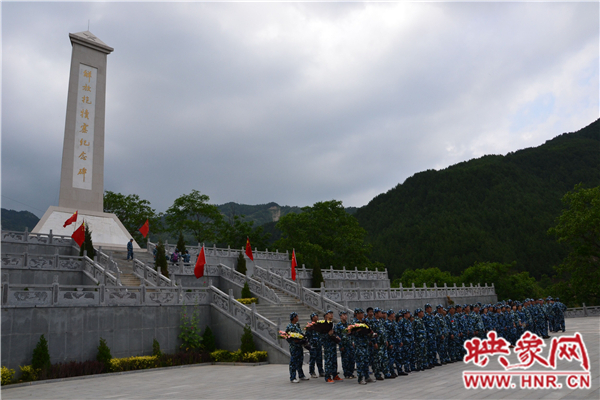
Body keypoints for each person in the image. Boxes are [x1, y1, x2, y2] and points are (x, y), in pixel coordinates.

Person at [285, 312, 309, 383]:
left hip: (299, 346)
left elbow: (300, 334)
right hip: (294, 347)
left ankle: (301, 375)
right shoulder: (289, 326)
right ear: (294, 318)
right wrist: (293, 341)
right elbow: (287, 336)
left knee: (300, 360)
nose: (298, 318)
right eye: (297, 317)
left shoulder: (297, 325)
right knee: (293, 361)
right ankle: (292, 377)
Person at [321, 310, 342, 383]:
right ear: (326, 315)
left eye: (332, 313)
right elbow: (322, 336)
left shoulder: (333, 324)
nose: (331, 315)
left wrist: (337, 336)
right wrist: (328, 335)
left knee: (334, 360)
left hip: (333, 344)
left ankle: (335, 375)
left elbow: (335, 333)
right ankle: (327, 377)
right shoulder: (324, 325)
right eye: (330, 314)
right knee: (328, 361)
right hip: (327, 345)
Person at [334, 311, 356, 379]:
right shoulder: (338, 325)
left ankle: (351, 372)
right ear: (340, 316)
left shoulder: (348, 325)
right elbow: (337, 336)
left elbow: (351, 334)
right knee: (345, 360)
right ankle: (346, 373)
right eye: (343, 315)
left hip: (350, 344)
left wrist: (353, 342)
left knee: (352, 359)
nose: (345, 316)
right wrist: (340, 345)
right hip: (344, 345)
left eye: (346, 315)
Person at [306, 313, 324, 378]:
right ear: (312, 318)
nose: (317, 317)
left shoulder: (319, 325)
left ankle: (321, 371)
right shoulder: (310, 326)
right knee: (312, 359)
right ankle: (312, 372)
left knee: (319, 359)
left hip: (319, 344)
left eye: (317, 316)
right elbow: (307, 335)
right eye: (315, 316)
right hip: (313, 345)